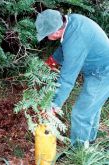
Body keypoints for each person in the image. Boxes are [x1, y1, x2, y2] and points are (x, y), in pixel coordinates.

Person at [35, 9, 109, 146]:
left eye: (46, 35)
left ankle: (79, 150)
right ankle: (89, 140)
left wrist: (54, 105)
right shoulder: (71, 22)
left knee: (81, 113)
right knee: (92, 106)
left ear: (56, 31)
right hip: (98, 69)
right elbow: (65, 46)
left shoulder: (76, 41)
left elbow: (67, 79)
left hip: (104, 73)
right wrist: (53, 60)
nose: (46, 38)